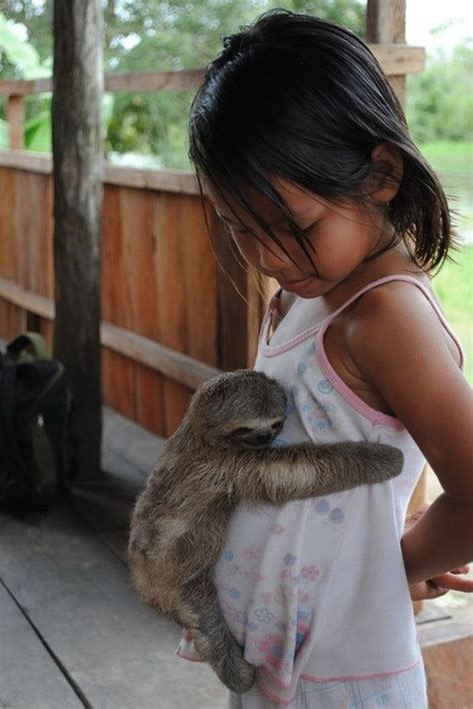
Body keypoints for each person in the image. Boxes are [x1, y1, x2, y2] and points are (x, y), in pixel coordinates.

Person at [177, 10, 473, 707]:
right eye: (242, 230)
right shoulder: (307, 292)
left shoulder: (385, 316)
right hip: (286, 659)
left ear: (380, 175)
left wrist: (403, 561)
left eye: (292, 227)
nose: (270, 257)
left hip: (349, 675)